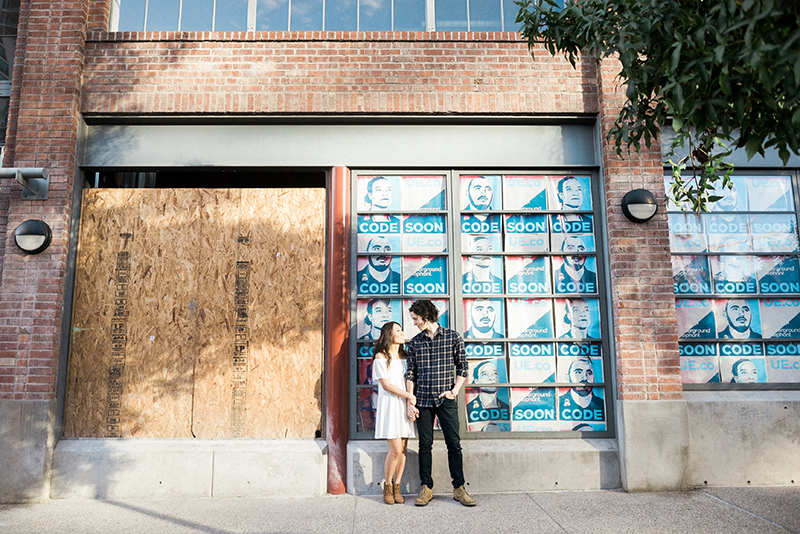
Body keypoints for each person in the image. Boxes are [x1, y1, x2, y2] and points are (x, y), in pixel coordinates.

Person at [404, 299, 476, 507]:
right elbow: (411, 373)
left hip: (446, 400)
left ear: (426, 316)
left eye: (416, 319)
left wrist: (454, 391)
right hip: (423, 401)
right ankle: (426, 488)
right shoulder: (416, 342)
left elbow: (463, 368)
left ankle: (459, 488)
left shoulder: (453, 337)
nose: (415, 323)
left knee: (454, 443)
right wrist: (411, 400)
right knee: (425, 445)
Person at [372, 321, 417, 505]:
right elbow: (386, 385)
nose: (402, 333)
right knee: (396, 450)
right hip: (390, 405)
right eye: (398, 330)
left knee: (404, 448)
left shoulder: (406, 356)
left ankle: (398, 485)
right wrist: (409, 396)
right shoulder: (380, 357)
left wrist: (410, 402)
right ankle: (388, 485)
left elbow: (410, 379)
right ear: (389, 334)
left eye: (402, 330)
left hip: (405, 404)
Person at [558, 357, 605, 422]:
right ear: (568, 378)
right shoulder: (559, 404)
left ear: (594, 378)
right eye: (578, 372)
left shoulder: (603, 405)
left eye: (589, 373)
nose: (585, 378)